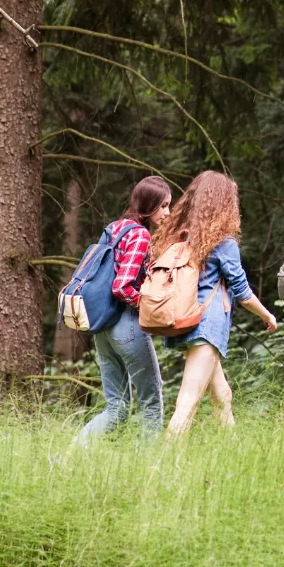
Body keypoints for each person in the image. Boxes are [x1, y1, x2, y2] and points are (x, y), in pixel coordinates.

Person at [160, 171, 278, 435]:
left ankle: (233, 453)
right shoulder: (223, 242)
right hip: (207, 326)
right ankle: (162, 468)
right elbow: (243, 292)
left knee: (222, 395)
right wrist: (267, 315)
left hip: (184, 321)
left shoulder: (183, 237)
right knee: (187, 403)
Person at [78, 175, 172, 440]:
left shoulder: (114, 228)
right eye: (163, 206)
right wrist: (148, 307)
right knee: (152, 403)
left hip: (103, 326)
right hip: (126, 325)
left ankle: (72, 453)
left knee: (117, 408)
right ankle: (148, 467)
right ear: (148, 203)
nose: (167, 212)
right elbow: (121, 287)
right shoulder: (141, 235)